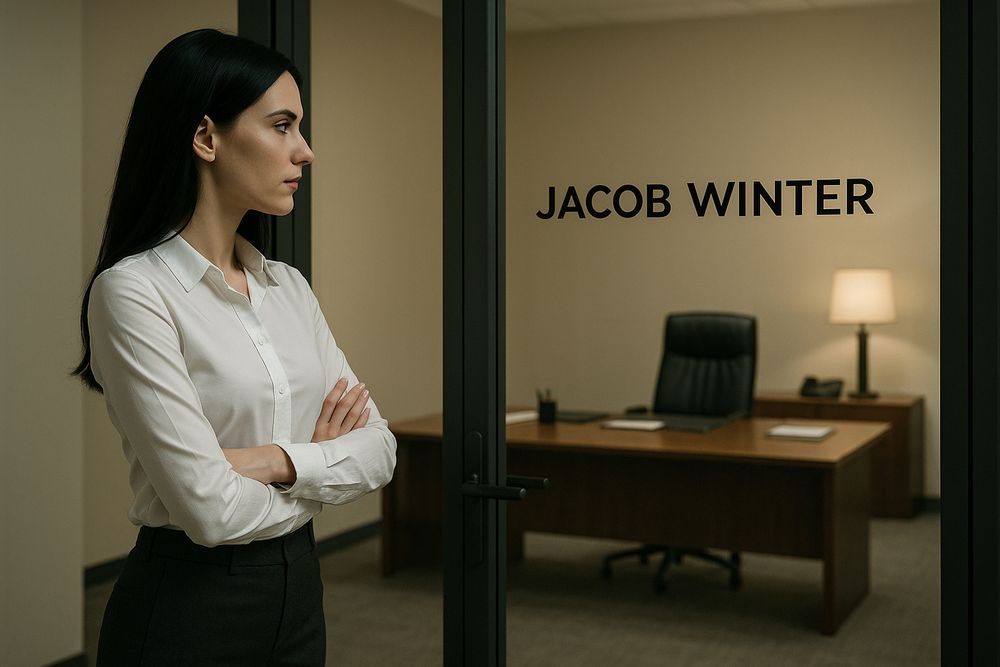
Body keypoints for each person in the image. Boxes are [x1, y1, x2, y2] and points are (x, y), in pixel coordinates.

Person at [71, 28, 397, 665]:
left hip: (299, 590)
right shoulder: (134, 293)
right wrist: (320, 464)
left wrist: (272, 460)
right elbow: (210, 513)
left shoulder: (288, 289)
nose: (305, 152)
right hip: (189, 605)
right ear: (206, 138)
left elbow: (380, 450)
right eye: (282, 125)